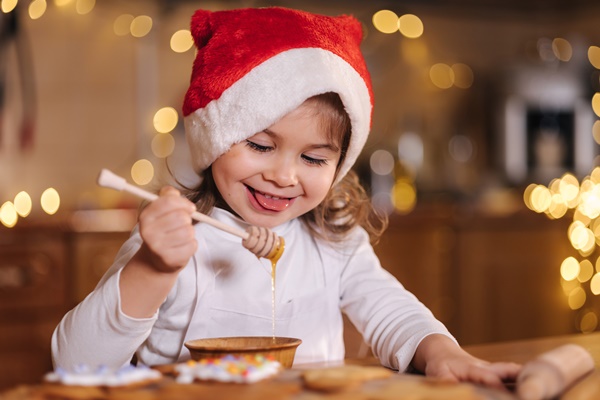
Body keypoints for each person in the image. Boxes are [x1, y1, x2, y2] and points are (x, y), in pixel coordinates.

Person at [52, 7, 520, 389]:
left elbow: (389, 310)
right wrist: (152, 270)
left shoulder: (333, 239)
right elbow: (74, 364)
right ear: (215, 139)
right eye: (259, 146)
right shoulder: (173, 238)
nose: (282, 176)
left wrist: (442, 353)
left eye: (314, 159)